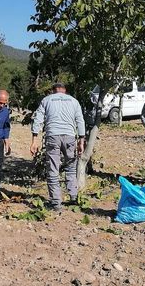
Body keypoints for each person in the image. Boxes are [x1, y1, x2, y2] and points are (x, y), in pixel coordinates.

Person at [30, 83, 85, 211]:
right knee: (71, 168)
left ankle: (56, 202)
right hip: (70, 137)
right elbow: (80, 120)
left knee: (53, 169)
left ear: (53, 90)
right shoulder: (74, 101)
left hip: (53, 136)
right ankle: (73, 197)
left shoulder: (47, 100)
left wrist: (34, 139)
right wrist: (81, 141)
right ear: (64, 91)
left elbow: (38, 119)